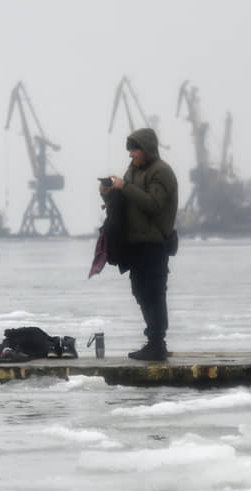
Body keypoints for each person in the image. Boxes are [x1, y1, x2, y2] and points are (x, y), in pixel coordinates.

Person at [99, 127, 178, 360]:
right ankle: (153, 341)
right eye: (130, 150)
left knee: (154, 291)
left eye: (135, 149)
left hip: (154, 242)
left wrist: (125, 187)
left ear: (147, 149)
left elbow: (154, 204)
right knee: (140, 291)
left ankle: (157, 343)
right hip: (134, 242)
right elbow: (125, 200)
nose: (131, 154)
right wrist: (108, 193)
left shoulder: (161, 172)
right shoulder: (132, 171)